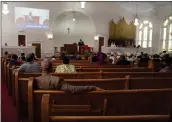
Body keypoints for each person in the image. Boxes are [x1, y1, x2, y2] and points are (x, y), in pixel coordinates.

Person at [35, 58, 104, 93]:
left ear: (40, 68)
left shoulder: (34, 81)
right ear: (51, 68)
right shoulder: (57, 80)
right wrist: (93, 88)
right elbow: (74, 89)